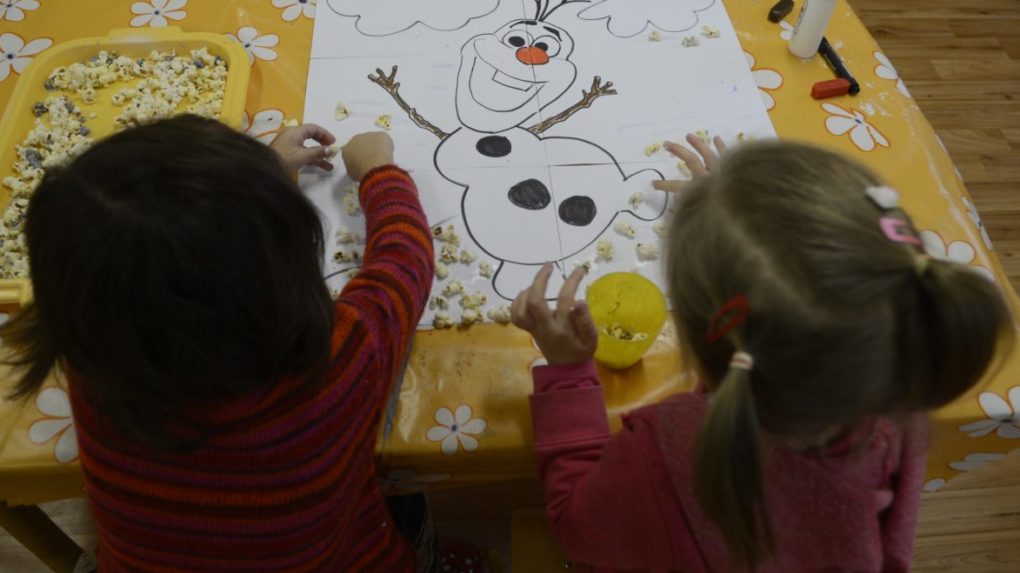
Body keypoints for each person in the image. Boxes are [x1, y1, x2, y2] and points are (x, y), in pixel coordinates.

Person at [511, 134, 1013, 572]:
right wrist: (727, 216)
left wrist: (569, 375)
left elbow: (573, 526)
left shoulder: (665, 459)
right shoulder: (897, 377)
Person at [0, 115, 435, 572]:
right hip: (349, 561)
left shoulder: (98, 356)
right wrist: (379, 171)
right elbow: (405, 261)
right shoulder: (335, 367)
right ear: (279, 278)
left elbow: (159, 258)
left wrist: (259, 171)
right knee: (408, 500)